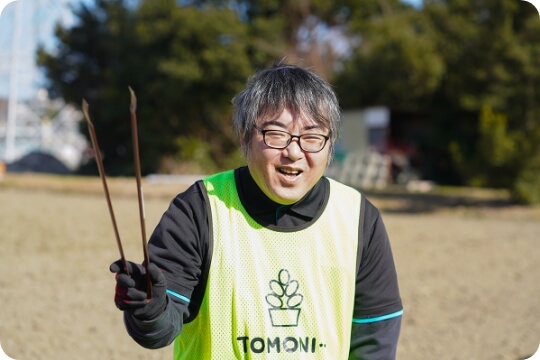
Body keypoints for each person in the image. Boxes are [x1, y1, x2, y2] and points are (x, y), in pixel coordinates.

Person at [110, 62, 403, 359]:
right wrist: (150, 308)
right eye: (276, 134)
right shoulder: (200, 208)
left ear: (330, 145)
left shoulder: (358, 218)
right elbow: (160, 329)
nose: (293, 151)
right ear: (244, 136)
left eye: (313, 138)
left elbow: (375, 340)